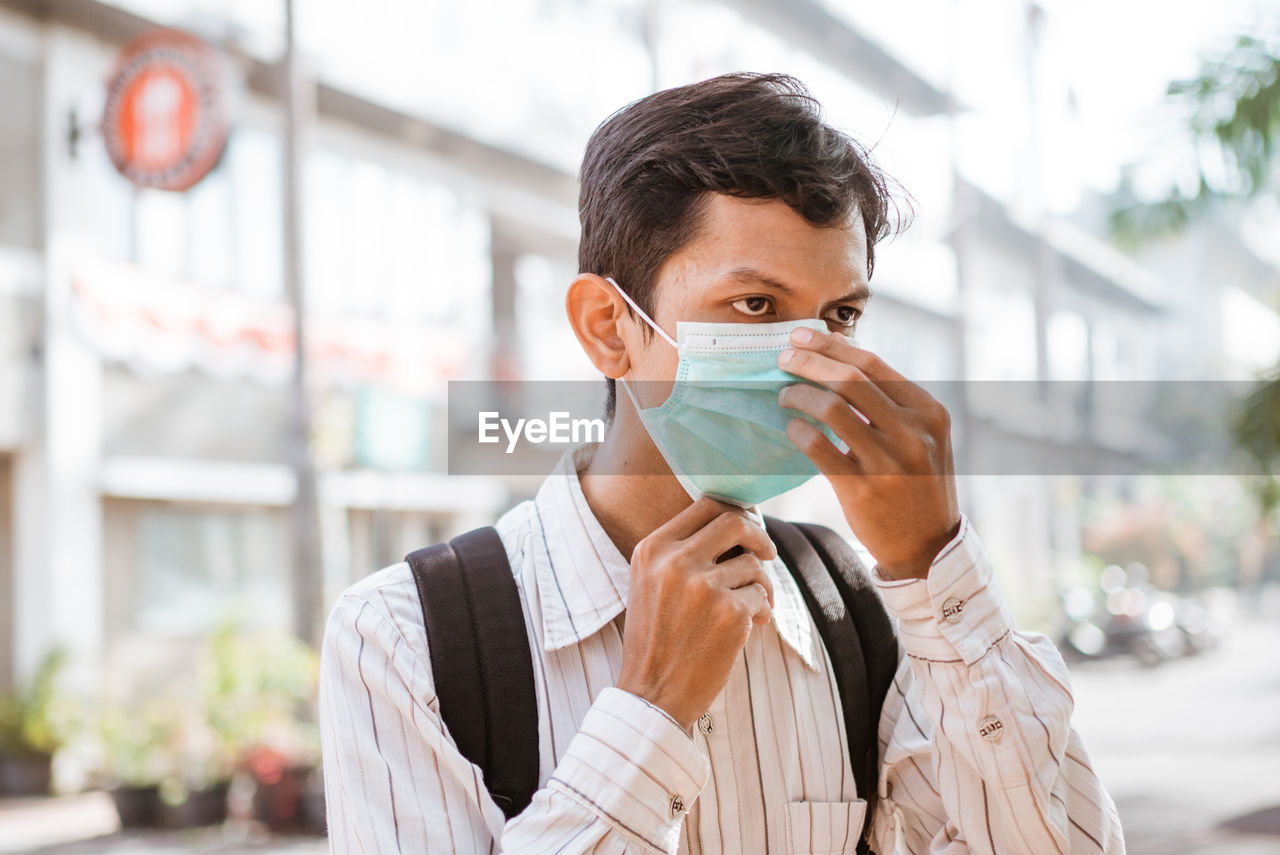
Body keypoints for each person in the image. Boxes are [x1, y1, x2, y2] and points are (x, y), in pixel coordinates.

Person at [318, 72, 1125, 854]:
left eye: (839, 315)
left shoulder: (856, 610)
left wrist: (936, 562)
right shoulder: (404, 639)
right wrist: (651, 710)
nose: (811, 359)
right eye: (755, 306)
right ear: (609, 326)